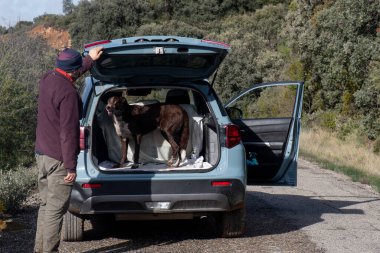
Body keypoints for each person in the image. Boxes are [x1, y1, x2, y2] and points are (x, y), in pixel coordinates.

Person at [34, 46, 103, 253]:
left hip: (42, 155)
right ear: (73, 71)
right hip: (59, 159)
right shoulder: (68, 94)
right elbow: (68, 133)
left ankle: (39, 249)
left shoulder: (48, 78)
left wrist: (89, 61)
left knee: (46, 206)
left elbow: (71, 72)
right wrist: (71, 167)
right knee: (56, 210)